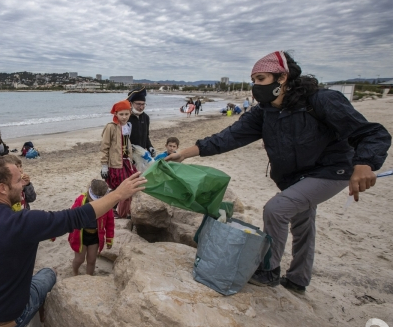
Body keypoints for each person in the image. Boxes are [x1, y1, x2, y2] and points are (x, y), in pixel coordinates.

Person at [166, 51, 391, 292]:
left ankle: (268, 270)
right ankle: (298, 279)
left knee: (276, 209)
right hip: (293, 177)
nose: (255, 86)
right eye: (253, 80)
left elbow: (372, 133)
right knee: (303, 223)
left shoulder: (322, 100)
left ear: (282, 77)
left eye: (261, 79)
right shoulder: (264, 112)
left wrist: (364, 164)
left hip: (331, 170)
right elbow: (227, 138)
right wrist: (184, 154)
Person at [0, 158, 146, 327]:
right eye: (18, 181)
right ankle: (44, 323)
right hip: (7, 321)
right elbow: (75, 217)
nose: (23, 184)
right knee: (48, 273)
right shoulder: (22, 222)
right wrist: (118, 194)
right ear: (2, 188)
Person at [68, 180, 114, 276]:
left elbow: (110, 222)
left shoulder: (107, 204)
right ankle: (75, 272)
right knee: (79, 259)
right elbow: (70, 215)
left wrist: (109, 239)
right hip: (81, 235)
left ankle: (89, 276)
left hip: (95, 236)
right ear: (89, 195)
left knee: (92, 260)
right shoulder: (81, 200)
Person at [101, 99, 137, 217]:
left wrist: (131, 158)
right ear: (115, 114)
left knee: (130, 186)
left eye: (126, 114)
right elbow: (105, 147)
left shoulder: (128, 126)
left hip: (126, 162)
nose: (124, 117)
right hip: (115, 163)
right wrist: (104, 165)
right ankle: (117, 211)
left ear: (130, 113)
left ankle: (124, 210)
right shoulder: (110, 127)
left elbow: (127, 145)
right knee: (119, 188)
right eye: (121, 114)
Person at [127, 88, 155, 157]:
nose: (141, 107)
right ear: (131, 103)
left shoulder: (146, 117)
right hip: (128, 154)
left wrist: (150, 147)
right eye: (138, 104)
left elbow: (146, 136)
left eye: (143, 104)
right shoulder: (126, 118)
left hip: (141, 154)